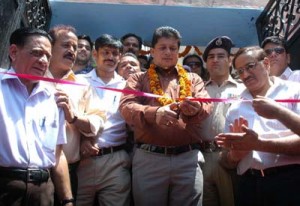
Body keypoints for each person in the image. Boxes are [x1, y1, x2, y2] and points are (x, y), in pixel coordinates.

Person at [119, 26, 212, 206]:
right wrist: (155, 113)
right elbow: (126, 107)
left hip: (188, 159)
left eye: (173, 48)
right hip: (149, 159)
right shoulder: (138, 78)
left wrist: (196, 109)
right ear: (152, 51)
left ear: (178, 52)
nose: (168, 52)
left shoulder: (193, 79)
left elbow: (207, 105)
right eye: (162, 48)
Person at [215, 46, 300, 206]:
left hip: (290, 182)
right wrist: (235, 155)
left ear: (266, 63)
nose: (245, 75)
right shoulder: (235, 107)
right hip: (249, 186)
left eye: (250, 66)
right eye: (240, 71)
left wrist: (259, 144)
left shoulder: (294, 92)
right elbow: (225, 160)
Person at [0, 27, 73, 205]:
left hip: (42, 191)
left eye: (47, 56)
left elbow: (57, 155)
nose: (43, 61)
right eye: (36, 53)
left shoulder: (54, 98)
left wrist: (68, 200)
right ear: (13, 52)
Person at [47, 25, 105, 203]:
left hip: (69, 170)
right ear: (50, 47)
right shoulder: (31, 79)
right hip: (32, 172)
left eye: (75, 47)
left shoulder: (82, 85)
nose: (72, 50)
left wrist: (75, 119)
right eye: (66, 45)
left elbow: (98, 119)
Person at [77, 34, 131, 206]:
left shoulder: (127, 87)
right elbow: (68, 117)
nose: (110, 57)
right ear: (95, 54)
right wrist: (82, 140)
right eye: (106, 52)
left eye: (115, 53)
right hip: (81, 160)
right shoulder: (79, 81)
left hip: (115, 161)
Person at [200, 36, 244, 206]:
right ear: (206, 63)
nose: (215, 60)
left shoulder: (243, 90)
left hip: (229, 156)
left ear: (230, 60)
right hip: (201, 157)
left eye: (220, 56)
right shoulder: (198, 90)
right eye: (211, 57)